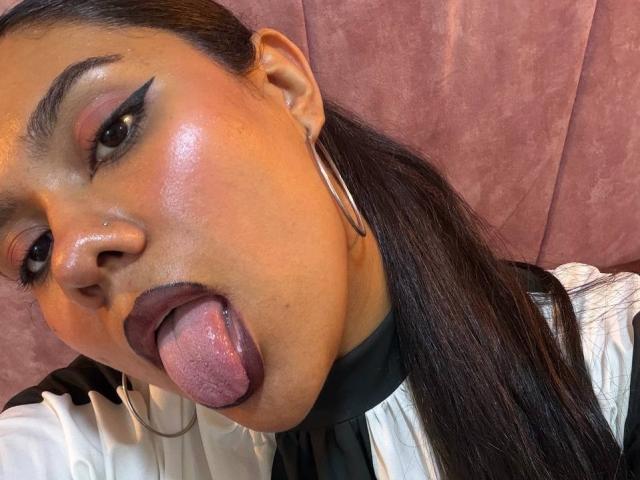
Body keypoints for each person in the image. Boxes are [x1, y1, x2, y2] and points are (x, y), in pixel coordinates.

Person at [0, 1, 638, 478]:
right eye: (32, 252)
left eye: (113, 132)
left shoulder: (611, 360)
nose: (71, 257)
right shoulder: (83, 433)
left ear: (285, 89)